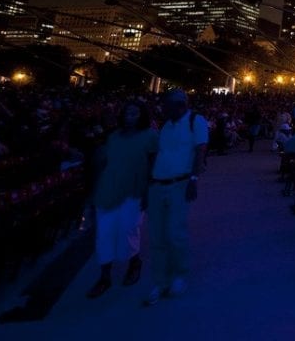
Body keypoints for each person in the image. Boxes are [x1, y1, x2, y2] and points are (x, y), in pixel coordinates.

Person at [87, 102, 158, 298]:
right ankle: (105, 276)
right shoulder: (113, 137)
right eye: (126, 112)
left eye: (134, 113)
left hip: (134, 189)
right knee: (105, 232)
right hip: (109, 190)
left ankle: (134, 262)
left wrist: (148, 190)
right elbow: (102, 164)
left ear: (142, 115)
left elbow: (153, 163)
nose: (129, 116)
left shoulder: (150, 136)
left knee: (128, 229)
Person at [144, 89, 208, 306]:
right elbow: (161, 154)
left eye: (166, 105)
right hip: (157, 184)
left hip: (179, 184)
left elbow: (200, 151)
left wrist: (194, 179)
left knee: (174, 233)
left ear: (179, 105)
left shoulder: (195, 121)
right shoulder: (166, 125)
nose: (163, 109)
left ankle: (179, 275)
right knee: (157, 235)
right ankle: (161, 280)